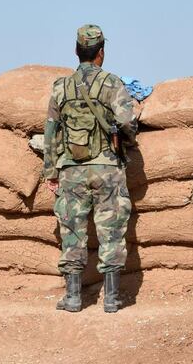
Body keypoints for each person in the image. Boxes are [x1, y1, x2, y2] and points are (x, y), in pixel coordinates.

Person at [42, 24, 138, 313]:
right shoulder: (112, 84)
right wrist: (129, 138)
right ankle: (110, 299)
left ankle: (72, 297)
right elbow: (125, 122)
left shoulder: (61, 86)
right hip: (107, 168)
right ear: (101, 53)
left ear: (76, 51)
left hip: (71, 169)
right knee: (111, 231)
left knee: (72, 230)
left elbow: (50, 132)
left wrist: (51, 172)